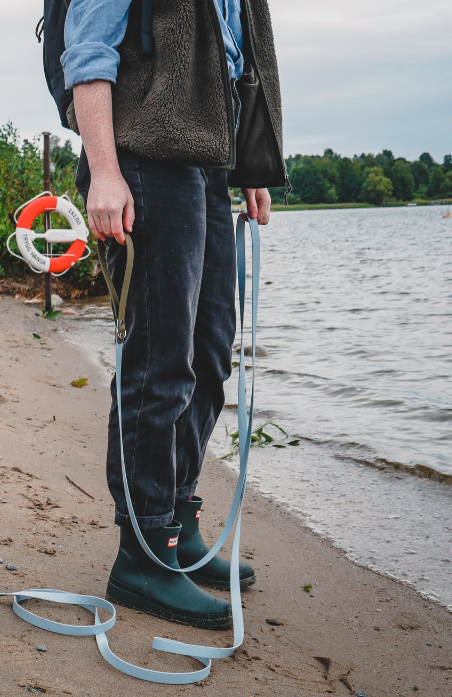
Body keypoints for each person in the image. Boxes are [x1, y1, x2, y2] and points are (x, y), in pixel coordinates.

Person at [62, 0, 287, 628]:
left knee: (210, 353)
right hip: (142, 161)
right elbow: (87, 49)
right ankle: (142, 554)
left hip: (206, 165)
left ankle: (177, 523)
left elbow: (230, 62)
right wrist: (104, 171)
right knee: (159, 360)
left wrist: (248, 163)